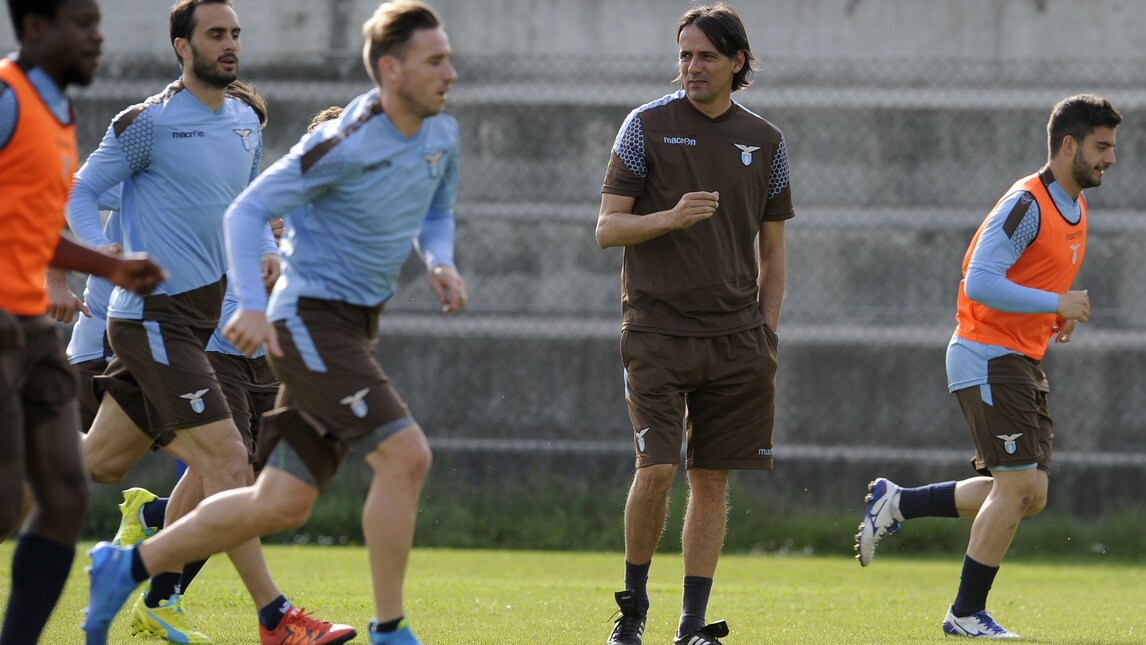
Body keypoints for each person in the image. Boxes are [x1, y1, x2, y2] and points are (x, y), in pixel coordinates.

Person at [83, 2, 463, 644]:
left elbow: (436, 214)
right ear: (392, 69)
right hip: (305, 325)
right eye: (436, 60)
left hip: (340, 327)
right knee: (404, 456)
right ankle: (380, 628)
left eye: (448, 57)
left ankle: (129, 565)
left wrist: (441, 262)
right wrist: (254, 308)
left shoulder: (439, 135)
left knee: (276, 501)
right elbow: (247, 210)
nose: (450, 71)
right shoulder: (340, 140)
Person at [67, 1, 354, 643]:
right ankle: (276, 618)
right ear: (180, 46)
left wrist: (269, 256)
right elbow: (82, 190)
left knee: (99, 462)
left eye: (234, 35)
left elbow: (248, 208)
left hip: (197, 319)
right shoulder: (146, 123)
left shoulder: (246, 120)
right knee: (230, 461)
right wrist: (98, 250)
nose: (230, 46)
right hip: (149, 318)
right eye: (215, 35)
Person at [855, 94, 1120, 639]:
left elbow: (1027, 277)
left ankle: (899, 501)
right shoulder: (1026, 204)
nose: (1110, 158)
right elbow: (979, 281)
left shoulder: (1075, 204)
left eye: (1111, 148)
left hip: (1018, 357)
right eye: (1101, 147)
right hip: (987, 353)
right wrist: (1056, 304)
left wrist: (1054, 313)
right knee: (1017, 488)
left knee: (1031, 493)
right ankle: (965, 613)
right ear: (1068, 144)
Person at [595, 4, 792, 645]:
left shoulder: (766, 140)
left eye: (706, 55)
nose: (692, 67)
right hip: (656, 331)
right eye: (684, 54)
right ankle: (632, 614)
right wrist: (670, 219)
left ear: (737, 62)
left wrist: (766, 331)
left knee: (711, 479)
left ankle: (691, 625)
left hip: (738, 340)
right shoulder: (644, 125)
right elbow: (607, 228)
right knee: (656, 469)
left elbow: (774, 251)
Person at [0, 0, 166, 642]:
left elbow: (33, 228)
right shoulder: (8, 96)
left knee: (65, 495)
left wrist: (108, 264)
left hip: (31, 329)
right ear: (37, 29)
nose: (98, 37)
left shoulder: (57, 109)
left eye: (99, 22)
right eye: (84, 24)